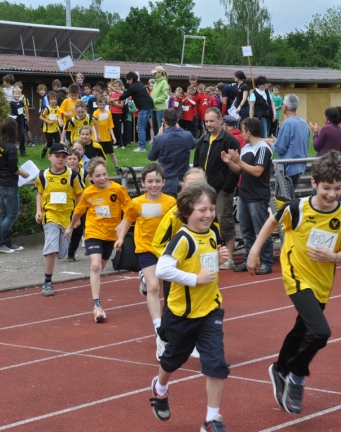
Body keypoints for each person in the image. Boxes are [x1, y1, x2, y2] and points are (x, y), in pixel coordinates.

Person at [247, 149, 341, 415]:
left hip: (322, 283)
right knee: (321, 332)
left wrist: (332, 256)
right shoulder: (298, 208)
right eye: (325, 188)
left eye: (336, 188)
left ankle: (279, 369)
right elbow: (272, 221)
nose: (331, 194)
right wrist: (254, 251)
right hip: (296, 277)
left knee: (303, 331)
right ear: (314, 183)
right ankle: (296, 377)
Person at [149, 182, 230, 432]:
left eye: (211, 209)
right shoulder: (183, 238)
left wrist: (219, 258)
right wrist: (195, 279)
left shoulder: (212, 233)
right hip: (182, 314)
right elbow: (163, 269)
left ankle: (211, 419)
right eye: (202, 210)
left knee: (216, 363)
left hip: (210, 311)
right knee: (174, 358)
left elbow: (205, 264)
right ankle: (160, 388)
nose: (208, 215)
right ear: (187, 211)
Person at [115, 163, 176, 360]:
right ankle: (159, 327)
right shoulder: (137, 203)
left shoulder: (171, 203)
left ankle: (167, 325)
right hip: (145, 249)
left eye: (158, 181)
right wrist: (121, 238)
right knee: (153, 286)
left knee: (169, 291)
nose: (154, 185)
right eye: (150, 181)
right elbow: (127, 220)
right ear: (143, 183)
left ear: (164, 182)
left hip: (166, 250)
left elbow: (177, 224)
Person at [66, 157, 133, 322]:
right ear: (91, 177)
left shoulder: (118, 190)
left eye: (104, 174)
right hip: (93, 233)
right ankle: (97, 305)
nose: (102, 178)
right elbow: (78, 211)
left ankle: (95, 291)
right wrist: (70, 226)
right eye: (98, 176)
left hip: (110, 236)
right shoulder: (89, 193)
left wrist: (122, 225)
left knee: (98, 270)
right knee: (95, 266)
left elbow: (130, 210)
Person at [221, 117, 274, 275]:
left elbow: (258, 171)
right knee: (246, 231)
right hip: (245, 194)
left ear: (248, 132)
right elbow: (240, 170)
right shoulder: (246, 148)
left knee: (261, 230)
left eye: (243, 131)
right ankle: (248, 259)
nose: (242, 134)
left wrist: (239, 161)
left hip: (258, 196)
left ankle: (266, 261)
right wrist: (230, 162)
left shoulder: (263, 148)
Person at [194, 107, 240, 270]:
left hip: (222, 190)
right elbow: (197, 164)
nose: (209, 124)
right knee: (204, 221)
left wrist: (227, 188)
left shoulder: (230, 141)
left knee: (224, 220)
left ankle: (229, 257)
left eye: (212, 121)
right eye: (206, 121)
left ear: (221, 120)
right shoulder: (203, 140)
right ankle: (208, 254)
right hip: (204, 190)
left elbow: (234, 167)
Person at [35, 143, 84, 296]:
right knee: (51, 249)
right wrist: (39, 211)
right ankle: (47, 282)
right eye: (57, 156)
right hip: (50, 216)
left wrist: (77, 217)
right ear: (49, 157)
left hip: (68, 219)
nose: (60, 159)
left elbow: (80, 195)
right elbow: (40, 193)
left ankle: (59, 251)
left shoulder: (73, 176)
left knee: (61, 254)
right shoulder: (43, 176)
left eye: (64, 157)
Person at [0, 118, 30, 254]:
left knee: (5, 215)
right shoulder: (11, 147)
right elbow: (14, 169)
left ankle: (7, 243)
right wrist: (24, 174)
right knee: (12, 215)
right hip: (9, 185)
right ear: (13, 130)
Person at [266, 94, 310, 197]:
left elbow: (279, 148)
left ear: (285, 107)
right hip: (299, 166)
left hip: (286, 169)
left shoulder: (287, 124)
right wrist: (277, 141)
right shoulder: (304, 123)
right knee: (289, 199)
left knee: (282, 201)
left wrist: (269, 142)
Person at [148, 109, 197, 197]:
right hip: (183, 182)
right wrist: (180, 128)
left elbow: (151, 157)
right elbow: (194, 144)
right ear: (177, 120)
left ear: (163, 120)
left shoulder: (160, 138)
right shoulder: (187, 135)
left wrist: (158, 136)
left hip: (167, 183)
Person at [117, 71, 154, 153]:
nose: (127, 82)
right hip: (147, 106)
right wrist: (116, 91)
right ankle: (142, 145)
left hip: (145, 107)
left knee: (140, 127)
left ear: (131, 79)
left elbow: (123, 96)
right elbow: (126, 93)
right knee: (141, 127)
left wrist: (113, 100)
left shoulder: (133, 86)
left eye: (128, 80)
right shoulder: (139, 84)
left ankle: (142, 147)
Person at [66, 150, 87, 262]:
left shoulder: (84, 174)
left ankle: (71, 253)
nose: (72, 161)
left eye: (74, 159)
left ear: (79, 160)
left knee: (78, 230)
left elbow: (90, 189)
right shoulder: (63, 173)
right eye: (69, 159)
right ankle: (62, 249)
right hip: (67, 206)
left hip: (81, 206)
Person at [92, 96, 119, 174]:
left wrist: (113, 137)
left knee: (112, 153)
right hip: (98, 138)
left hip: (106, 137)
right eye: (100, 105)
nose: (101, 106)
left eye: (103, 104)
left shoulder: (108, 113)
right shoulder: (96, 113)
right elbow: (93, 125)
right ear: (97, 105)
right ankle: (98, 170)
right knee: (98, 156)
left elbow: (110, 126)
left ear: (105, 104)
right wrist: (96, 135)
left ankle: (117, 167)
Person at [39, 91, 62, 158]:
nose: (53, 101)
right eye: (51, 99)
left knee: (57, 143)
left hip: (56, 128)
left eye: (54, 99)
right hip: (48, 130)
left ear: (57, 100)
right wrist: (48, 121)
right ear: (49, 100)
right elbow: (40, 117)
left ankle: (55, 156)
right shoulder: (47, 108)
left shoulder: (58, 108)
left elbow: (59, 116)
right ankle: (45, 149)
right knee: (50, 143)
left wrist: (60, 121)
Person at [151, 66, 169, 134]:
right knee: (155, 127)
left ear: (160, 73)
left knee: (160, 127)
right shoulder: (156, 82)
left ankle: (162, 142)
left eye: (155, 73)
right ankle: (157, 142)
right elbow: (153, 94)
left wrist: (155, 100)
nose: (154, 74)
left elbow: (165, 95)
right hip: (153, 108)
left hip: (160, 108)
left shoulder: (164, 82)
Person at [9, 87, 27, 156]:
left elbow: (22, 111)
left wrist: (25, 117)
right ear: (13, 94)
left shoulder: (21, 101)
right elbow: (8, 113)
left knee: (22, 135)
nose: (17, 95)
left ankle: (23, 151)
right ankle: (13, 151)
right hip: (14, 122)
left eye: (18, 94)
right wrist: (13, 117)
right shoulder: (11, 103)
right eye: (16, 94)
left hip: (21, 121)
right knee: (14, 136)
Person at [109, 80, 126, 149]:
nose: (116, 88)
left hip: (119, 113)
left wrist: (114, 103)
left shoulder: (121, 94)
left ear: (120, 87)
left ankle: (121, 143)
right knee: (113, 128)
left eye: (117, 86)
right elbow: (109, 102)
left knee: (119, 129)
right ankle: (114, 143)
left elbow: (121, 105)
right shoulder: (112, 94)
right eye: (114, 86)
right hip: (112, 113)